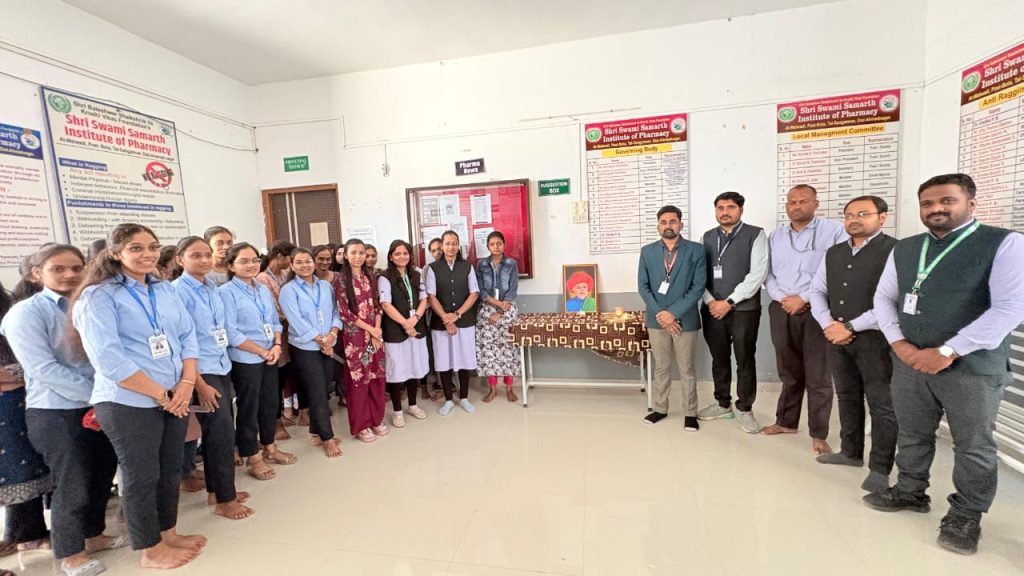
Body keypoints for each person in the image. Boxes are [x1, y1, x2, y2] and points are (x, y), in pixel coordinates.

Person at [868, 173, 1024, 555]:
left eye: (947, 201)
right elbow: (884, 298)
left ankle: (966, 515)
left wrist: (949, 351)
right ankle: (910, 490)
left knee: (973, 444)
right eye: (928, 203)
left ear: (971, 203)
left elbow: (1011, 307)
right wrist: (900, 344)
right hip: (910, 360)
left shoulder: (1004, 243)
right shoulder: (906, 248)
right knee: (913, 431)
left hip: (972, 367)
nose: (936, 208)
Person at [70, 223, 206, 569]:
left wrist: (186, 383)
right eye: (136, 248)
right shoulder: (98, 296)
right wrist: (163, 394)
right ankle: (149, 548)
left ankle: (168, 532)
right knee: (141, 475)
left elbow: (187, 336)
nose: (147, 254)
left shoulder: (165, 289)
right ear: (116, 253)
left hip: (175, 395)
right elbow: (109, 359)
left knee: (170, 468)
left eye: (152, 247)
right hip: (127, 401)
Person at [2, 245, 126, 576]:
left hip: (102, 403)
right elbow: (43, 369)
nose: (70, 274)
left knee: (102, 470)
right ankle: (70, 552)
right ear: (36, 274)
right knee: (73, 481)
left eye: (76, 267)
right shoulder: (25, 314)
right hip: (57, 411)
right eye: (58, 268)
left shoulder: (92, 304)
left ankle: (93, 535)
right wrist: (98, 394)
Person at [807, 195, 898, 493]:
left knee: (881, 404)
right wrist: (828, 324)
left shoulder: (895, 251)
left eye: (863, 214)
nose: (854, 220)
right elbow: (817, 290)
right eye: (849, 215)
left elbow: (893, 300)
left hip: (876, 338)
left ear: (882, 217)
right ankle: (850, 452)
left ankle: (880, 469)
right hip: (836, 337)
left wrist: (849, 326)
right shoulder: (834, 253)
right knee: (847, 395)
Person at [172, 237, 254, 520]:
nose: (205, 260)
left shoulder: (211, 287)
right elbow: (181, 342)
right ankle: (224, 500)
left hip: (220, 364)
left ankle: (217, 490)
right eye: (196, 255)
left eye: (207, 254)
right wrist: (199, 383)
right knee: (220, 433)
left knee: (220, 431)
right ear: (180, 259)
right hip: (200, 371)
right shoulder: (178, 292)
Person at [762, 184, 848, 454]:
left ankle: (819, 434)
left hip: (818, 309)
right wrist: (783, 299)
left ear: (815, 204)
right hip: (781, 308)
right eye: (792, 202)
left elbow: (837, 271)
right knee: (788, 370)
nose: (796, 206)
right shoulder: (776, 236)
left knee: (818, 374)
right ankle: (786, 422)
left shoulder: (835, 232)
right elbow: (767, 274)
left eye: (803, 201)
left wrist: (803, 298)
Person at [218, 243, 296, 481]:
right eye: (243, 261)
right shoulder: (225, 292)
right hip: (246, 358)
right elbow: (231, 332)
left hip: (270, 354)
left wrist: (276, 345)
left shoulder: (261, 289)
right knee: (249, 408)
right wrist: (261, 351)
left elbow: (274, 321)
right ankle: (252, 457)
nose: (251, 265)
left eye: (254, 260)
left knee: (270, 404)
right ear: (231, 265)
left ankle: (269, 447)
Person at [697, 191, 768, 433]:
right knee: (719, 358)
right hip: (712, 309)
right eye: (720, 208)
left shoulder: (755, 235)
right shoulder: (706, 237)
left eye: (731, 207)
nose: (725, 212)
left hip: (744, 309)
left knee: (745, 359)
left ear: (741, 210)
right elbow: (698, 274)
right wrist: (710, 302)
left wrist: (729, 301)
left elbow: (757, 274)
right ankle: (722, 404)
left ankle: (745, 408)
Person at [638, 206, 707, 430]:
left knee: (687, 368)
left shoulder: (696, 250)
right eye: (664, 222)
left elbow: (698, 287)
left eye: (673, 221)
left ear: (681, 224)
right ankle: (660, 408)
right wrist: (662, 314)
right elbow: (643, 287)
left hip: (685, 320)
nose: (668, 225)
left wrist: (673, 314)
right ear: (658, 226)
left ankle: (690, 412)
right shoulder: (647, 252)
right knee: (661, 367)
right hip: (656, 320)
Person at [0, 281, 52, 563]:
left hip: (21, 403)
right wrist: (18, 374)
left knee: (26, 467)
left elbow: (32, 361)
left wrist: (16, 375)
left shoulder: (11, 312)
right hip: (8, 405)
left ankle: (27, 534)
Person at [280, 248, 344, 456]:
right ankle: (327, 438)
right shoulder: (288, 290)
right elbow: (296, 321)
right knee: (317, 392)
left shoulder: (325, 286)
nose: (304, 265)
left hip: (328, 343)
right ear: (292, 265)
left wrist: (332, 334)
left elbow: (336, 312)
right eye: (299, 262)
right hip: (305, 347)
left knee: (323, 389)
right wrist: (320, 339)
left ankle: (316, 432)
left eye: (308, 261)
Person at [334, 240, 388, 442]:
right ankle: (362, 425)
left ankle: (376, 419)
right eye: (353, 253)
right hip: (355, 338)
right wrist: (370, 330)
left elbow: (378, 307)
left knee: (376, 376)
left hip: (375, 335)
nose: (358, 256)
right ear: (346, 255)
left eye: (361, 253)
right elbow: (345, 313)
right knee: (359, 380)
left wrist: (376, 332)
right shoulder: (340, 280)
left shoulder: (371, 276)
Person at [426, 230, 479, 416]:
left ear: (458, 245)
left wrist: (456, 315)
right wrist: (446, 318)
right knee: (444, 361)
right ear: (442, 246)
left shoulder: (467, 267)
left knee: (464, 359)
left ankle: (464, 397)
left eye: (454, 243)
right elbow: (431, 296)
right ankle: (448, 400)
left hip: (464, 321)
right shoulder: (433, 268)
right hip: (440, 324)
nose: (451, 247)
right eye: (447, 243)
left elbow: (474, 293)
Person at [379, 240, 430, 427]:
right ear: (391, 257)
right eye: (397, 254)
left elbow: (424, 300)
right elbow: (385, 304)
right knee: (396, 371)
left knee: (414, 367)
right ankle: (397, 410)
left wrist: (414, 319)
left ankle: (413, 405)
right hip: (395, 331)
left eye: (405, 253)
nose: (402, 257)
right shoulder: (384, 277)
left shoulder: (416, 274)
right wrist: (405, 323)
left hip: (416, 327)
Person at [256, 240, 303, 435]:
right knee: (274, 381)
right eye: (288, 259)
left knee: (284, 376)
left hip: (287, 334)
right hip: (274, 334)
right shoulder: (262, 279)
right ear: (278, 256)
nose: (290, 263)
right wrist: (293, 316)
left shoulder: (283, 275)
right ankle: (274, 422)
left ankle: (280, 415)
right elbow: (274, 308)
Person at [475, 231, 520, 403]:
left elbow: (512, 289)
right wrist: (495, 304)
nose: (496, 246)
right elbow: (480, 290)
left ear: (504, 245)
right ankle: (492, 389)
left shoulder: (511, 263)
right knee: (489, 351)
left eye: (499, 243)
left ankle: (509, 388)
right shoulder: (481, 264)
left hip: (507, 310)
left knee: (509, 349)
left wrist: (500, 310)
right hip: (487, 310)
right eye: (492, 244)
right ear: (488, 246)